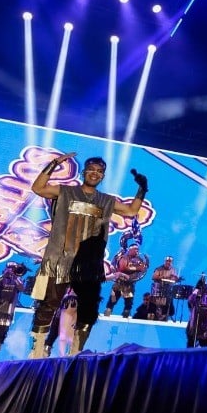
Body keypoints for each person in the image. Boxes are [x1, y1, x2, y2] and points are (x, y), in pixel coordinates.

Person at [27, 153, 149, 358]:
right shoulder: (65, 191)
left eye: (99, 171)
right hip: (60, 259)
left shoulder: (106, 201)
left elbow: (130, 211)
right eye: (91, 169)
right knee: (48, 304)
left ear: (102, 176)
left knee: (88, 310)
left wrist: (142, 189)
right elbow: (38, 188)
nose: (95, 174)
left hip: (89, 264)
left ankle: (76, 353)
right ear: (84, 172)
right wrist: (55, 163)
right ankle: (37, 350)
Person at [104, 242, 148, 318]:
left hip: (129, 284)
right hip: (118, 282)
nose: (137, 251)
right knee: (113, 297)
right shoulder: (121, 256)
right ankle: (108, 309)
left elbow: (141, 273)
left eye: (137, 249)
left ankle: (126, 313)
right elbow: (113, 264)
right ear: (129, 250)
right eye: (135, 249)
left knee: (128, 300)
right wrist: (114, 270)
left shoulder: (139, 260)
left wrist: (130, 277)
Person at [185, 278, 207, 348]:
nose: (200, 290)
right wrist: (195, 292)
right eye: (198, 288)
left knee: (205, 348)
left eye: (202, 288)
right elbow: (190, 301)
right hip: (193, 327)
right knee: (190, 347)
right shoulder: (194, 298)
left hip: (204, 329)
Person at [150, 255, 180, 320]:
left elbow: (174, 280)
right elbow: (153, 277)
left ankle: (165, 315)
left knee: (169, 304)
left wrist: (176, 278)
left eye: (170, 261)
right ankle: (158, 316)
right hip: (160, 289)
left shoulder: (173, 270)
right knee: (160, 304)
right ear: (164, 261)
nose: (168, 262)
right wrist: (164, 277)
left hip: (169, 290)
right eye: (167, 261)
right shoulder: (159, 269)